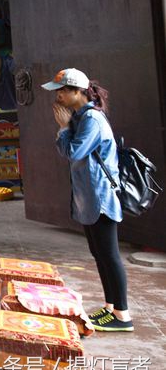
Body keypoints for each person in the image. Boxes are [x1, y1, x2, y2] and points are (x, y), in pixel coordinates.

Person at [42, 68, 132, 332]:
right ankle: (110, 307)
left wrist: (62, 128)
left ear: (77, 92)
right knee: (99, 253)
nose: (58, 96)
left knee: (110, 255)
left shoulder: (91, 119)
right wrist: (66, 128)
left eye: (61, 91)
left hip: (100, 196)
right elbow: (67, 151)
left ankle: (123, 315)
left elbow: (73, 151)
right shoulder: (79, 118)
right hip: (88, 197)